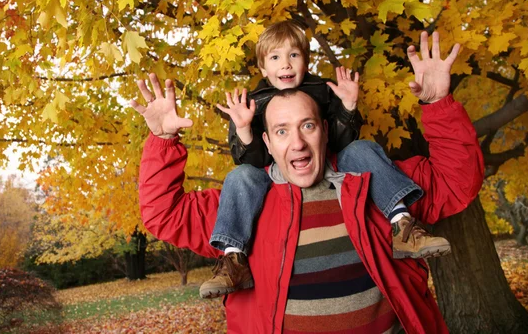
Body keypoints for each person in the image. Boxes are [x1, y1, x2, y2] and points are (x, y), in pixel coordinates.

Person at [132, 31, 484, 333]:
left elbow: (456, 182)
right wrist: (163, 140)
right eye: (282, 131)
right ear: (267, 142)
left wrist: (438, 102)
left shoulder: (374, 180)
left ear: (326, 130)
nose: (297, 142)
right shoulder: (242, 203)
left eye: (308, 125)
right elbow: (164, 214)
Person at [201, 21, 448, 299]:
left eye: (293, 55)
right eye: (275, 57)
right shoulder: (253, 102)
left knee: (362, 149)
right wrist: (245, 130)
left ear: (306, 61)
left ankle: (403, 225)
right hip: (274, 172)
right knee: (240, 176)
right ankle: (233, 259)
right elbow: (251, 160)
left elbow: (343, 141)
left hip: (329, 162)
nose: (286, 64)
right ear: (262, 69)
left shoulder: (322, 90)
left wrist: (348, 109)